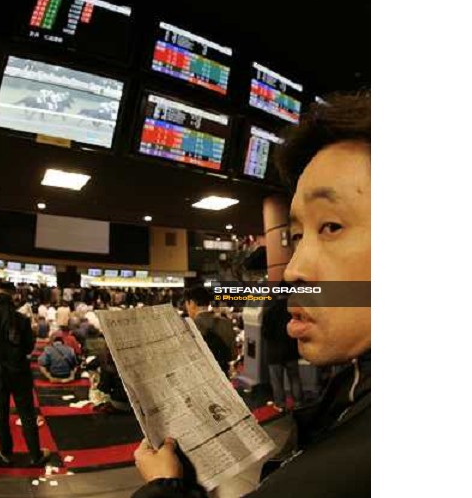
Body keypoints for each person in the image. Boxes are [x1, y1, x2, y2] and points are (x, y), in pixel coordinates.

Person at [132, 90, 371, 497]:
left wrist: (163, 486)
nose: (295, 270)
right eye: (296, 236)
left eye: (331, 226)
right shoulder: (354, 384)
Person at [0, 280, 50, 466]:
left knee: (0, 413)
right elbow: (28, 348)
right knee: (27, 413)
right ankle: (35, 455)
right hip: (19, 371)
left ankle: (6, 451)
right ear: (13, 294)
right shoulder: (21, 319)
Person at [262, 295, 304, 409]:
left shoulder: (269, 310)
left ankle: (280, 404)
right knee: (294, 378)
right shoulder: (293, 312)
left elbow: (265, 333)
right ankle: (298, 402)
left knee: (277, 380)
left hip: (274, 352)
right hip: (291, 351)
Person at [185, 286, 236, 377]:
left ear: (191, 303)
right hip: (223, 375)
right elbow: (233, 355)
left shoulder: (189, 328)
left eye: (186, 304)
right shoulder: (226, 322)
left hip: (201, 376)